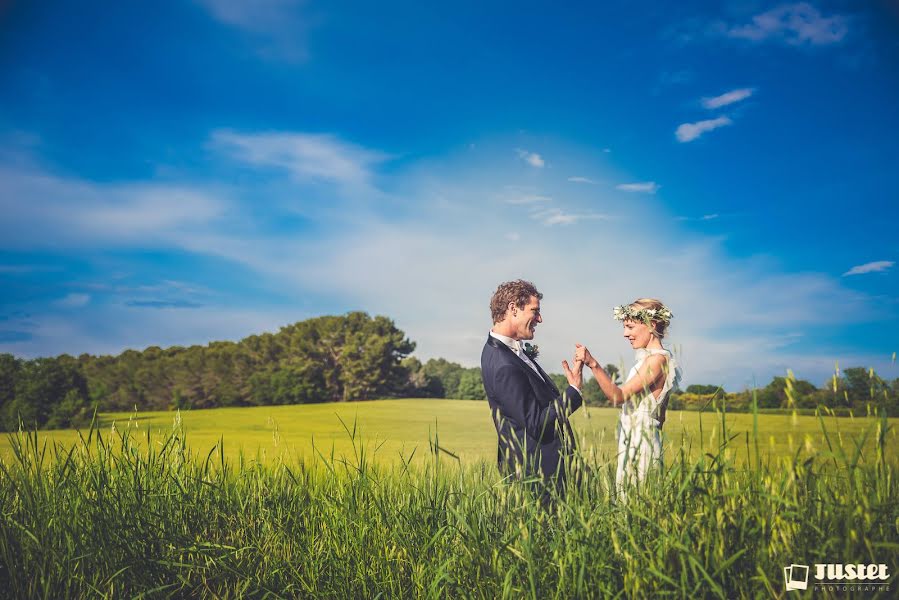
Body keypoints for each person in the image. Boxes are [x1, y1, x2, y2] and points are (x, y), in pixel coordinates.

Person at [480, 279, 584, 492]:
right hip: (536, 473)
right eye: (535, 311)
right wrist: (573, 391)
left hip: (543, 468)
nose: (540, 319)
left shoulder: (505, 351)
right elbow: (535, 422)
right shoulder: (503, 363)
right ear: (513, 309)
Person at [575, 298, 681, 499]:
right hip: (637, 439)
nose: (625, 334)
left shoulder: (657, 360)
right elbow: (660, 417)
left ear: (651, 325)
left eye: (630, 327)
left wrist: (593, 364)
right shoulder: (653, 359)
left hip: (641, 445)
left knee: (636, 503)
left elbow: (618, 396)